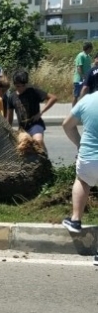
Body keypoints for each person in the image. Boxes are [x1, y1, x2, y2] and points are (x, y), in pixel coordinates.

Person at [61, 91, 98, 263]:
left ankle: (75, 220)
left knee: (82, 181)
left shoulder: (87, 100)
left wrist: (79, 143)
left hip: (88, 157)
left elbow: (67, 125)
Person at [6, 70, 57, 152]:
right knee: (24, 149)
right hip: (23, 128)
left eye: (23, 86)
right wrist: (8, 130)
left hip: (35, 124)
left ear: (26, 84)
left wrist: (40, 113)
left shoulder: (33, 92)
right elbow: (10, 117)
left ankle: (45, 157)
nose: (20, 88)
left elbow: (53, 98)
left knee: (38, 140)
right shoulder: (12, 97)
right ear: (14, 84)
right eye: (17, 86)